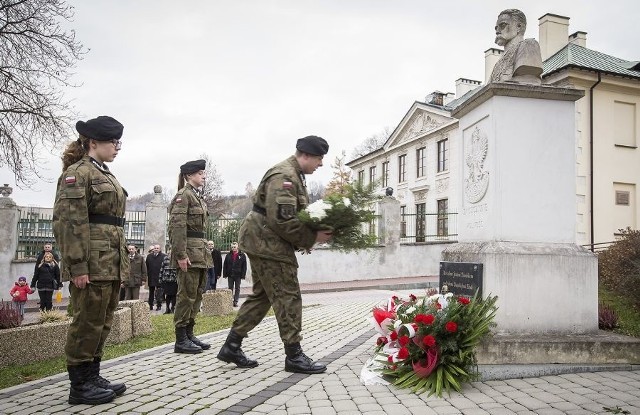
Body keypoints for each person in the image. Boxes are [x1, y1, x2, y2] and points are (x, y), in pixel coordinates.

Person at [216, 135, 332, 374]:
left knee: (262, 295)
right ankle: (294, 355)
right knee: (288, 294)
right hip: (267, 243)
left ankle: (232, 345)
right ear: (306, 155)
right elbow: (282, 220)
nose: (320, 164)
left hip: (263, 240)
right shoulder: (285, 177)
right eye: (319, 159)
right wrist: (311, 238)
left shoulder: (294, 175)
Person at [52, 115, 128, 405]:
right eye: (113, 141)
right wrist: (78, 266)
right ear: (93, 142)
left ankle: (92, 374)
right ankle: (79, 385)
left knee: (102, 320)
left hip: (109, 261)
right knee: (87, 321)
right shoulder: (77, 173)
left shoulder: (104, 172)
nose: (118, 147)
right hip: (92, 263)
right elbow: (69, 223)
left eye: (119, 141)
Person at [168, 159, 213, 354]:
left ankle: (189, 333)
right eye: (200, 173)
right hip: (188, 253)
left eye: (203, 173)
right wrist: (180, 254)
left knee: (196, 294)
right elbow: (177, 228)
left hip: (200, 253)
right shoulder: (183, 196)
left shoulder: (197, 197)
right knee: (186, 295)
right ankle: (180, 339)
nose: (203, 176)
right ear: (189, 175)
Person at [489, 9, 542, 85]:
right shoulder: (498, 63)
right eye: (496, 28)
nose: (497, 31)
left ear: (519, 27)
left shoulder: (529, 45)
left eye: (502, 25)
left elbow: (528, 81)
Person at [223, 242, 247, 307]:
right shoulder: (228, 255)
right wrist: (225, 274)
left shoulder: (242, 255)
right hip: (230, 274)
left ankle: (235, 301)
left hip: (238, 275)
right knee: (230, 288)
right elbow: (225, 265)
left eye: (235, 247)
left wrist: (243, 275)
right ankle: (229, 301)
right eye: (232, 247)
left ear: (237, 247)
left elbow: (244, 266)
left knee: (237, 288)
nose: (233, 248)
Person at [145, 244, 166, 311]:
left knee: (159, 293)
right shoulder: (149, 256)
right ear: (153, 249)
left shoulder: (163, 256)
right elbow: (147, 266)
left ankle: (159, 305)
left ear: (160, 249)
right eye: (155, 248)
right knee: (151, 292)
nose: (156, 249)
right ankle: (150, 305)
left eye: (157, 248)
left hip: (159, 277)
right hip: (151, 276)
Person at [159, 249, 178, 314]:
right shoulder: (165, 258)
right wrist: (160, 278)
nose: (170, 253)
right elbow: (162, 269)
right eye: (169, 252)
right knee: (167, 295)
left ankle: (173, 307)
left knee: (174, 295)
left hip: (174, 280)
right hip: (166, 280)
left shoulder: (177, 259)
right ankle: (167, 308)